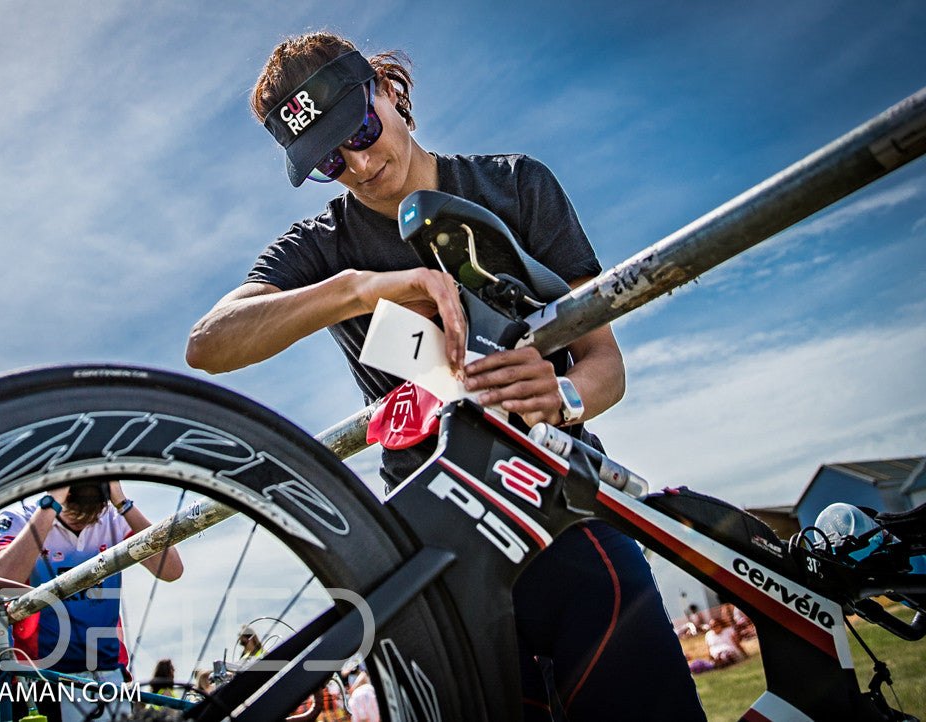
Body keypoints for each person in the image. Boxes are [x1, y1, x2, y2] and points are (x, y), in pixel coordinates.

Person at [186, 31, 704, 720]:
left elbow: (604, 364)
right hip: (437, 547)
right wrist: (360, 290)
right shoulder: (323, 248)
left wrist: (566, 395)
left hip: (558, 509)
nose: (362, 164)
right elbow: (208, 344)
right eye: (329, 162)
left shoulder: (515, 184)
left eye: (363, 129)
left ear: (390, 91)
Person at [0, 481, 184, 719]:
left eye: (94, 514)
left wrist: (123, 504)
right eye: (76, 515)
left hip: (106, 671)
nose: (86, 520)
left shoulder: (114, 519)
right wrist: (50, 507)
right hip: (42, 677)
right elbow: (0, 583)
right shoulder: (22, 518)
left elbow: (171, 570)